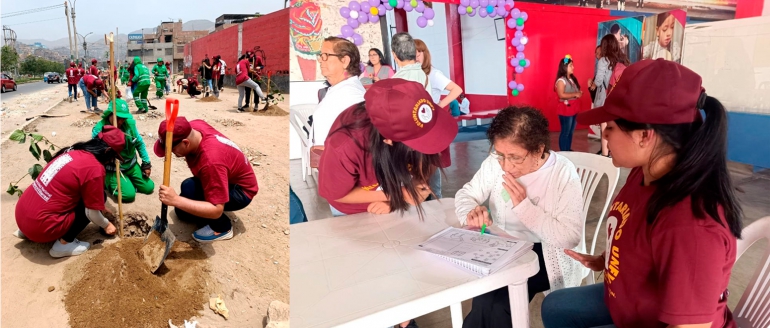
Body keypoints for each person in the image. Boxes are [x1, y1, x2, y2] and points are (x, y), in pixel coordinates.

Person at [541, 59, 742, 328]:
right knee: (555, 307)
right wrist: (607, 259)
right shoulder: (645, 171)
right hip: (630, 298)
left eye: (610, 127)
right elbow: (637, 233)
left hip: (659, 320)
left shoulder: (691, 225)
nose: (605, 135)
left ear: (645, 136)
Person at [457, 106, 587, 328]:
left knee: (500, 303)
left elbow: (569, 237)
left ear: (538, 150)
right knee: (484, 294)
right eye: (500, 155)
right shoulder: (495, 163)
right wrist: (471, 211)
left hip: (548, 252)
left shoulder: (562, 173)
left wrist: (524, 207)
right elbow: (466, 194)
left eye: (515, 158)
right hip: (504, 246)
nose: (506, 166)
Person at [318, 78, 457, 218]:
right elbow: (338, 194)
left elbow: (434, 156)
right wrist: (397, 195)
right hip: (356, 207)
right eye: (420, 143)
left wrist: (418, 182)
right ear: (388, 141)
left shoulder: (428, 119)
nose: (429, 146)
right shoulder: (344, 145)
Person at [14, 126, 125, 258]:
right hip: (40, 229)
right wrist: (106, 225)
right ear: (107, 151)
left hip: (21, 217)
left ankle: (25, 232)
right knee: (101, 196)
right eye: (113, 157)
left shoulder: (72, 151)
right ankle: (64, 245)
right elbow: (91, 213)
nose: (111, 161)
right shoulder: (95, 168)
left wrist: (99, 205)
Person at [154, 117, 259, 243]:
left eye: (172, 149)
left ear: (186, 143)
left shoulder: (211, 163)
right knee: (185, 200)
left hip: (241, 191)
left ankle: (222, 228)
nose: (170, 153)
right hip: (227, 177)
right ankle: (208, 203)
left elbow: (216, 210)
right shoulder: (194, 127)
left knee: (187, 197)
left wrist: (176, 200)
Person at [415, 38, 464, 199]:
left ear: (425, 54)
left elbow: (456, 90)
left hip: (431, 126)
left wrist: (439, 105)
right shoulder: (411, 74)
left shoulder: (433, 74)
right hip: (416, 126)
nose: (416, 56)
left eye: (419, 52)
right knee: (418, 166)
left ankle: (436, 200)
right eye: (412, 53)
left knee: (432, 165)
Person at [90, 98, 154, 203]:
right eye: (118, 118)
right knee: (129, 195)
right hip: (114, 169)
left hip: (131, 165)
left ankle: (128, 182)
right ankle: (108, 182)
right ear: (110, 114)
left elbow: (139, 143)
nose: (121, 121)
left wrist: (146, 163)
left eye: (123, 118)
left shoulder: (130, 125)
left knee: (149, 187)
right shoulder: (99, 129)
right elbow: (95, 155)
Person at [311, 37, 366, 147]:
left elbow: (356, 143)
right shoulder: (339, 88)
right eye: (320, 55)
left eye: (325, 55)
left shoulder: (353, 96)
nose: (320, 60)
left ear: (344, 61)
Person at [594, 35, 630, 157]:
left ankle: (605, 155)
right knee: (616, 127)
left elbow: (599, 81)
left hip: (606, 98)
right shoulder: (622, 59)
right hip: (619, 99)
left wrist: (593, 83)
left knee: (605, 126)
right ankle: (614, 152)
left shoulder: (603, 60)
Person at [554, 55, 583, 152]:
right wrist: (575, 94)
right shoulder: (561, 81)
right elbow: (561, 95)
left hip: (574, 108)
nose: (573, 67)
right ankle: (563, 152)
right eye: (571, 65)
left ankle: (568, 150)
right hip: (566, 110)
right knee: (565, 132)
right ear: (564, 67)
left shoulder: (572, 79)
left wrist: (578, 93)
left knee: (570, 132)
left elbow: (573, 93)